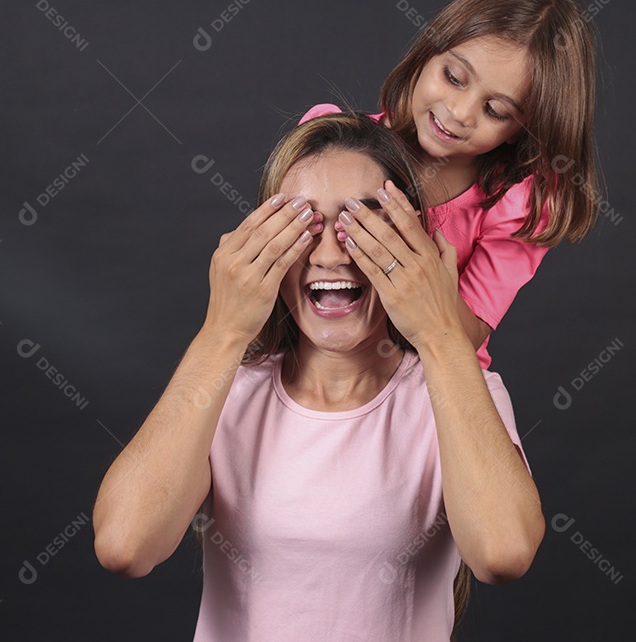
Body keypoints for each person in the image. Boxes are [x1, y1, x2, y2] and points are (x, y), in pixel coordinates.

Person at [92, 112, 544, 642]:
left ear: (412, 249)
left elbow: (504, 553)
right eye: (303, 224)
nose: (330, 253)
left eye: (365, 225)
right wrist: (222, 332)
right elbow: (125, 545)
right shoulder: (227, 392)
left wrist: (441, 332)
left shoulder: (458, 393)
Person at [301, 0, 602, 368]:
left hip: (432, 383)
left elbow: (465, 334)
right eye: (454, 77)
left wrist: (412, 260)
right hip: (320, 372)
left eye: (496, 111)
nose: (459, 114)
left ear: (520, 131)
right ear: (429, 52)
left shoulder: (519, 204)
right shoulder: (330, 139)